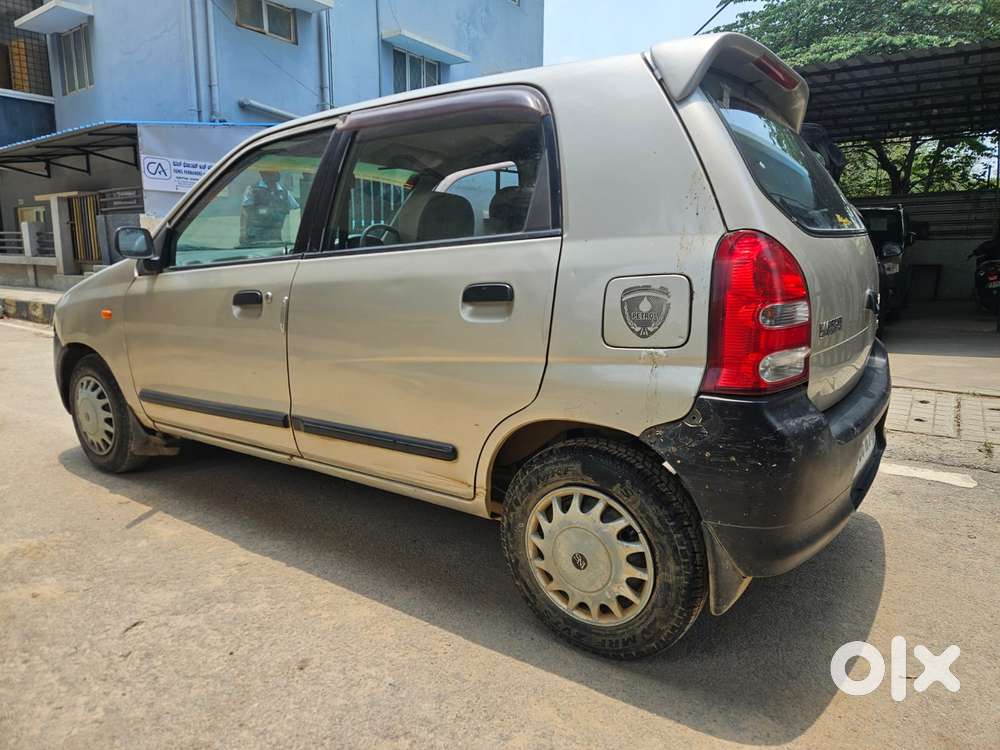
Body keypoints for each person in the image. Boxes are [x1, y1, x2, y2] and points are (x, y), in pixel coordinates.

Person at [239, 170, 299, 245]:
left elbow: (296, 209)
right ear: (262, 173)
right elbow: (245, 212)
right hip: (255, 239)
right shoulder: (252, 190)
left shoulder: (284, 192)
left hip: (276, 238)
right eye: (270, 171)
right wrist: (243, 233)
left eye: (275, 171)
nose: (275, 174)